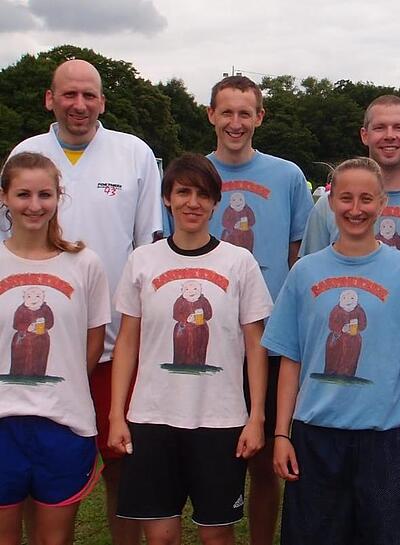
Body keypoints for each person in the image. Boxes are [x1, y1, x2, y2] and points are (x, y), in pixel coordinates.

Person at [5, 59, 162, 545]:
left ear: (102, 102)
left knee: (121, 463)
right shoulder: (26, 152)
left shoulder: (134, 153)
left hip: (114, 346)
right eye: (69, 94)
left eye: (89, 95)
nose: (79, 105)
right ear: (49, 99)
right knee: (26, 473)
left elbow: (149, 248)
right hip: (35, 359)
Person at [264, 157, 400, 545]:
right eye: (346, 198)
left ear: (382, 203)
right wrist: (282, 433)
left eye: (366, 198)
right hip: (317, 435)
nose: (355, 209)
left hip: (388, 436)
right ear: (330, 202)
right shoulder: (305, 272)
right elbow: (291, 358)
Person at [301, 95, 400, 545]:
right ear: (364, 135)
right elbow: (313, 284)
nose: (389, 135)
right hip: (351, 370)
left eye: (398, 127)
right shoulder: (326, 207)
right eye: (379, 127)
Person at [107, 154, 271, 545]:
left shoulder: (239, 262)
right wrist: (116, 414)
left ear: (215, 202)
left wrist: (256, 417)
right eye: (183, 192)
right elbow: (127, 341)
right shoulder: (142, 260)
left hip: (220, 418)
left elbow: (255, 344)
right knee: (160, 535)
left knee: (216, 534)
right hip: (152, 416)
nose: (192, 203)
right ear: (167, 198)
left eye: (202, 194)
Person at [203, 75, 314, 545]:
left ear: (259, 117)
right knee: (217, 454)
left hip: (268, 339)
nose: (235, 122)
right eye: (226, 112)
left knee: (266, 457)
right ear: (211, 114)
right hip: (211, 337)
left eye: (245, 113)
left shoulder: (287, 176)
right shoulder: (195, 174)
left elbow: (298, 254)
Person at [0, 152, 110, 545]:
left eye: (44, 194)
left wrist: (65, 382)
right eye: (23, 194)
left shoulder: (85, 263)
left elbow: (94, 339)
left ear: (58, 197)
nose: (34, 205)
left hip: (64, 424)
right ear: (4, 197)